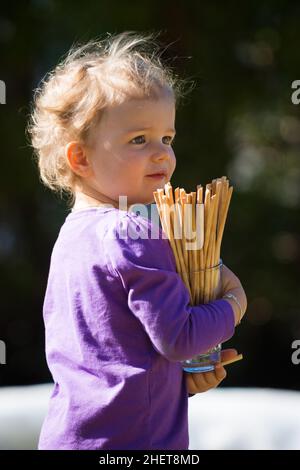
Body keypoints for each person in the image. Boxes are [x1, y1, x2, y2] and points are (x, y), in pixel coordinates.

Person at [27, 31, 247, 450]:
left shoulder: (72, 237)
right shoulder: (133, 231)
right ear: (81, 158)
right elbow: (179, 337)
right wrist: (234, 305)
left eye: (167, 138)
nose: (162, 153)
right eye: (139, 140)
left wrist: (181, 381)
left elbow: (114, 358)